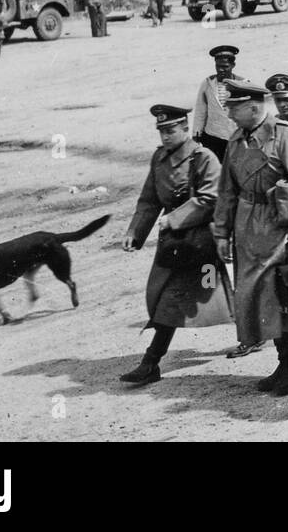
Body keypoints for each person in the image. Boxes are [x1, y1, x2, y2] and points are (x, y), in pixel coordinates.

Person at [212, 80, 288, 390]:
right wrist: (221, 232)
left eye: (234, 108)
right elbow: (226, 190)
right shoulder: (237, 139)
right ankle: (285, 360)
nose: (230, 115)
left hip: (280, 229)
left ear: (253, 107)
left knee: (280, 297)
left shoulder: (286, 137)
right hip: (247, 229)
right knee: (255, 299)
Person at [119, 105, 234, 386]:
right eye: (161, 131)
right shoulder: (159, 158)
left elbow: (211, 198)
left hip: (201, 244)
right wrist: (135, 232)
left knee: (210, 297)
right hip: (174, 246)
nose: (166, 137)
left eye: (171, 130)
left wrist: (174, 218)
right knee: (167, 300)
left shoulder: (203, 157)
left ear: (185, 128)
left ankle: (151, 362)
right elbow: (149, 199)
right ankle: (151, 362)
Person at [193, 45, 245, 163]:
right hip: (212, 139)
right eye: (218, 66)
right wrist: (196, 135)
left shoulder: (243, 84)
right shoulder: (207, 83)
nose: (221, 70)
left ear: (233, 66)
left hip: (236, 138)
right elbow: (200, 111)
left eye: (225, 67)